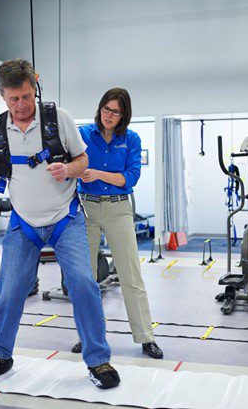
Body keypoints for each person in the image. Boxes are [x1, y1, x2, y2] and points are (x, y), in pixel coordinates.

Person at [0, 59, 120, 389]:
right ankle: (0, 353)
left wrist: (69, 170)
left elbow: (83, 159)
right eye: (14, 99)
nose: (21, 105)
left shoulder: (60, 120)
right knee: (8, 292)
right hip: (23, 223)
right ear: (3, 95)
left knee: (84, 285)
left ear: (35, 88)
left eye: (27, 97)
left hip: (65, 218)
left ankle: (98, 360)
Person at [73, 88, 164, 359]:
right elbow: (69, 163)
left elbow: (131, 177)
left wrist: (99, 174)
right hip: (85, 207)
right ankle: (88, 338)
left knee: (131, 276)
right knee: (84, 278)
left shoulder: (131, 139)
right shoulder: (83, 134)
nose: (108, 115)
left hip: (118, 209)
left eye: (115, 111)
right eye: (105, 109)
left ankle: (146, 338)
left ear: (123, 115)